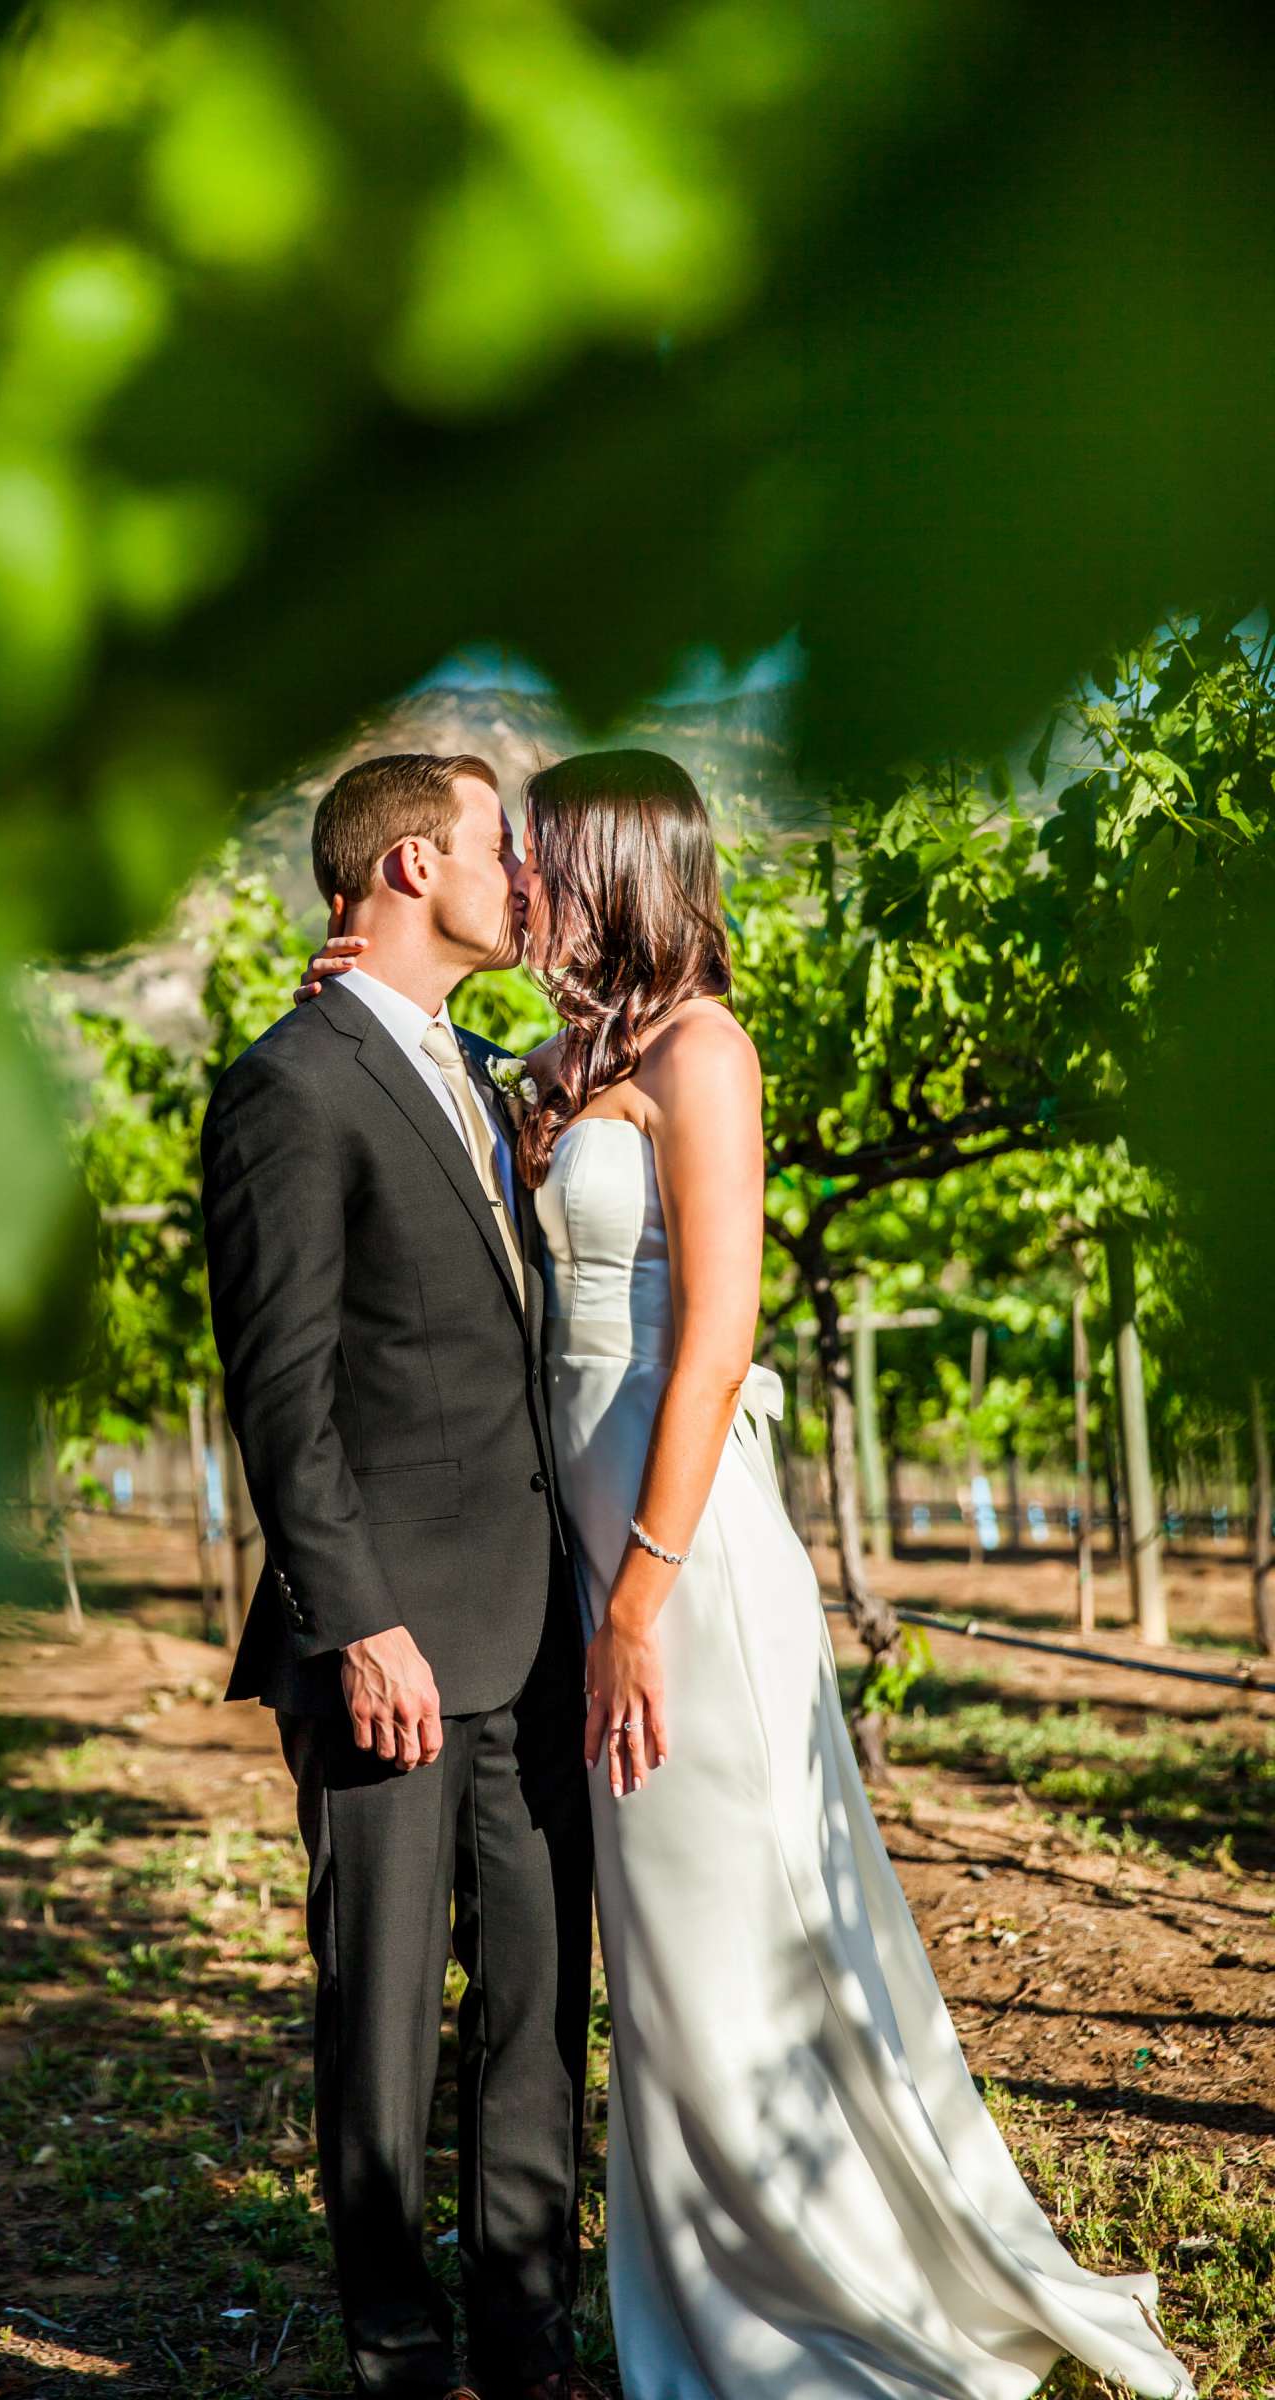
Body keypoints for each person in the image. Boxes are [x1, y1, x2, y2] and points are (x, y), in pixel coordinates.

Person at [301, 746, 1196, 2400]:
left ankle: (811, 2300)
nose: (528, 883)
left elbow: (714, 1343)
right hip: (575, 1567)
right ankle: (699, 2289)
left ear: (626, 867)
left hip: (680, 1562)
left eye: (549, 855)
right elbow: (450, 1124)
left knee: (730, 1918)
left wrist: (640, 1596)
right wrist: (371, 999)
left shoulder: (709, 1050)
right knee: (650, 1951)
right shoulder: (571, 1055)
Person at [200, 752, 594, 2400]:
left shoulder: (482, 1069)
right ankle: (396, 2353)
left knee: (537, 2007)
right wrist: (356, 1619)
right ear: (414, 864)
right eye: (506, 852)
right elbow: (279, 1395)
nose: (527, 884)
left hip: (534, 1624)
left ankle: (525, 2334)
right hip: (391, 1640)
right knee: (376, 2019)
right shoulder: (288, 1085)